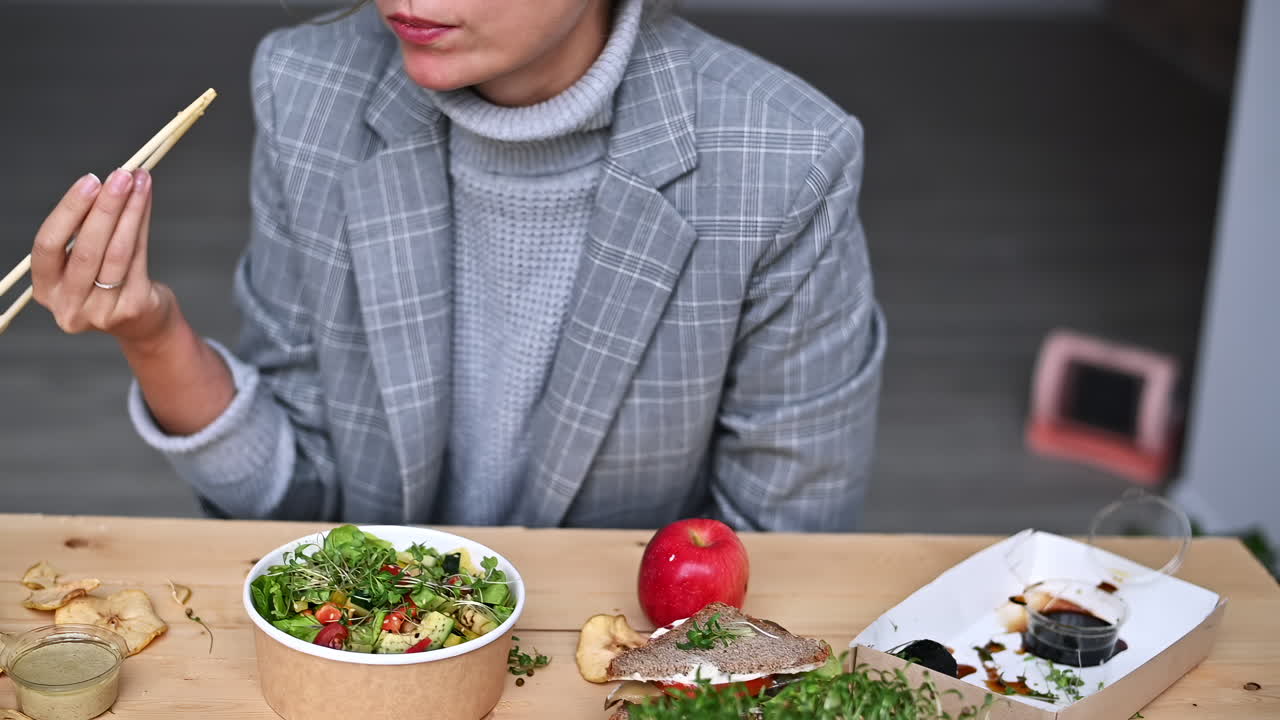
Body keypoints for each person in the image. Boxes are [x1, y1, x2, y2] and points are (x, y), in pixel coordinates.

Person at [28, 0, 885, 530]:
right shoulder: (308, 89)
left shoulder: (787, 158)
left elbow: (782, 552)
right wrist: (153, 334)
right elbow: (298, 512)